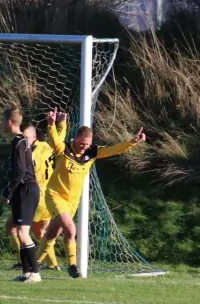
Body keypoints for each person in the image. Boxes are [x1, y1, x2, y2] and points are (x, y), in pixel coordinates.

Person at [37, 107, 146, 278]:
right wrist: (51, 125)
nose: (83, 147)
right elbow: (55, 141)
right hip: (55, 195)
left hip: (72, 201)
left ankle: (33, 265)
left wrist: (132, 142)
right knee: (71, 230)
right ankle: (72, 267)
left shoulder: (92, 152)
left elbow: (114, 149)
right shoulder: (63, 149)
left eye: (86, 144)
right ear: (75, 139)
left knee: (53, 233)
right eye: (81, 143)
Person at [6, 116, 67, 271]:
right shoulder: (47, 146)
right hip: (46, 195)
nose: (23, 141)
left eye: (26, 138)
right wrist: (61, 125)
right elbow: (58, 140)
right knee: (39, 232)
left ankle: (26, 263)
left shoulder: (32, 153)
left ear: (34, 137)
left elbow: (25, 173)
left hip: (34, 195)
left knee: (17, 228)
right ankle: (52, 265)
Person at [1, 104, 41, 283]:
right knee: (18, 231)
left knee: (24, 233)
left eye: (2, 120)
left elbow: (21, 171)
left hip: (26, 188)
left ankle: (36, 273)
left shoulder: (19, 142)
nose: (1, 124)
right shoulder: (19, 141)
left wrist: (8, 192)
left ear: (9, 122)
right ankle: (26, 273)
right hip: (22, 189)